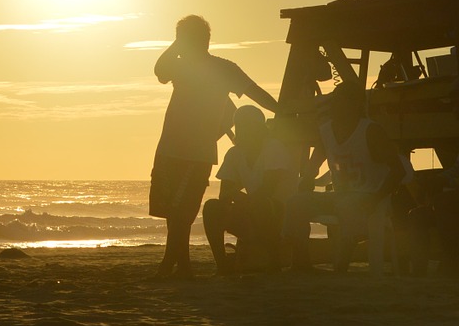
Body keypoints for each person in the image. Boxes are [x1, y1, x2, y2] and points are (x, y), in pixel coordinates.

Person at [150, 15, 279, 279]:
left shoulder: (223, 68)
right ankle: (183, 265)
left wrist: (283, 112)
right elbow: (160, 70)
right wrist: (178, 44)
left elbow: (256, 93)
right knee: (172, 212)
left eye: (184, 39)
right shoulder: (181, 66)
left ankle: (167, 264)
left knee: (182, 210)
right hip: (169, 147)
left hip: (195, 152)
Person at [285, 80, 407, 272]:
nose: (334, 106)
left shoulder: (370, 131)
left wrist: (376, 198)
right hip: (339, 196)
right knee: (296, 203)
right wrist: (307, 180)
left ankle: (340, 267)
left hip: (370, 196)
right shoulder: (325, 132)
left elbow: (399, 171)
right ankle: (301, 262)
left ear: (354, 104)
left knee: (347, 205)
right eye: (334, 100)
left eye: (339, 101)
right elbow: (313, 166)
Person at [202, 105, 297, 274]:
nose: (243, 130)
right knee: (211, 207)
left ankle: (273, 261)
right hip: (254, 210)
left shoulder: (273, 147)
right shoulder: (234, 153)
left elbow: (268, 189)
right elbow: (224, 194)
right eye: (240, 125)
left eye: (247, 125)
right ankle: (222, 265)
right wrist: (238, 198)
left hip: (280, 214)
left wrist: (239, 197)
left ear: (259, 128)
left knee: (262, 204)